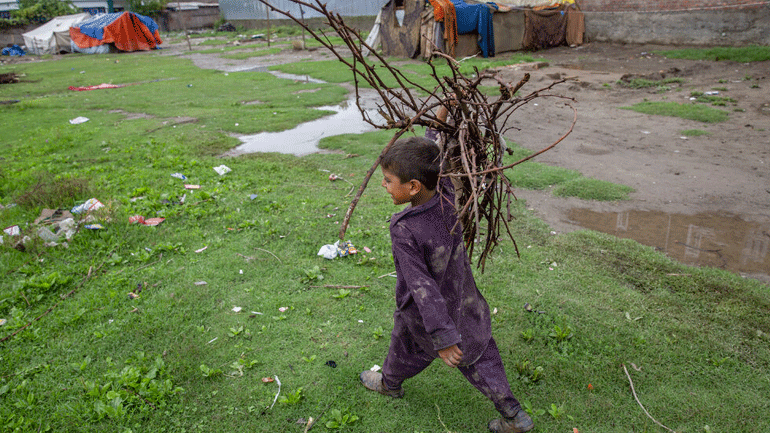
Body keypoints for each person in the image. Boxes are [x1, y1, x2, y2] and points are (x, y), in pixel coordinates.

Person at [359, 129, 534, 433]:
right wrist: (438, 120)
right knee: (482, 356)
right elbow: (432, 153)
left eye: (388, 181)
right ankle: (515, 415)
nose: (384, 185)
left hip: (425, 315)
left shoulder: (405, 228)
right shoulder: (449, 195)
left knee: (406, 342)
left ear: (413, 187)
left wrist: (443, 337)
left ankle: (390, 383)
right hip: (466, 302)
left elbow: (421, 286)